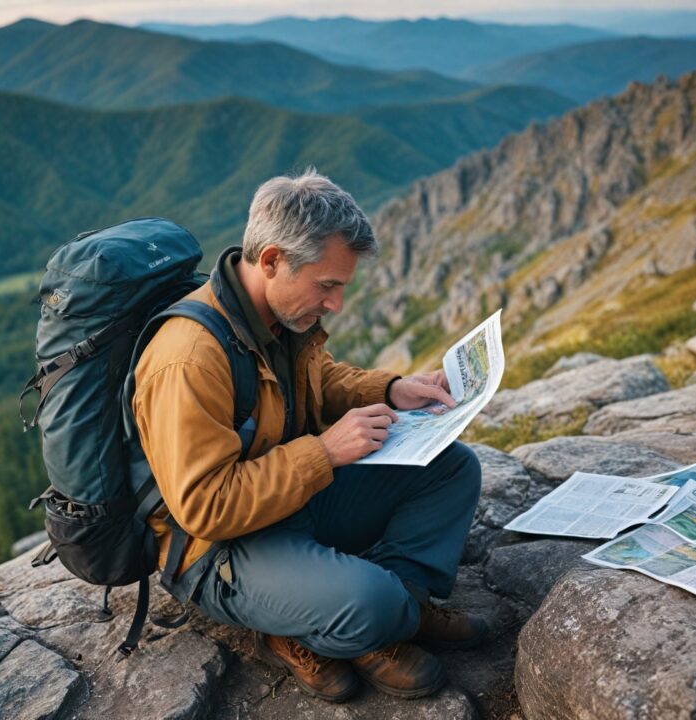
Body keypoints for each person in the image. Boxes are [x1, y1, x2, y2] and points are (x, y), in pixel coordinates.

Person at [132, 169, 485, 703]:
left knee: (452, 467)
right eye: (328, 285)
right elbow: (204, 507)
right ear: (271, 260)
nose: (336, 304)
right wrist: (324, 451)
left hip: (290, 500)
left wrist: (392, 390)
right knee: (375, 604)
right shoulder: (189, 358)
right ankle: (349, 621)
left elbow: (318, 381)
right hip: (220, 550)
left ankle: (383, 621)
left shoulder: (277, 315)